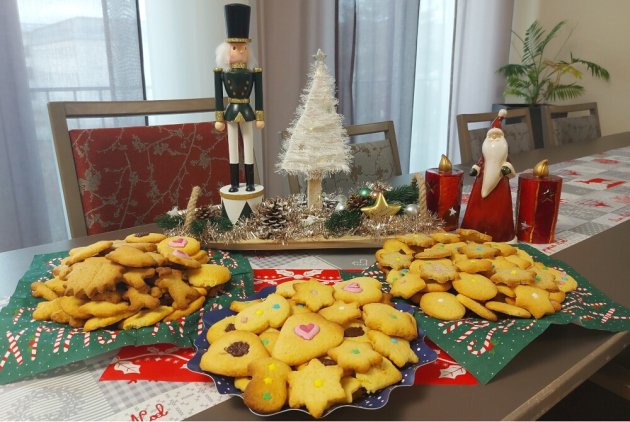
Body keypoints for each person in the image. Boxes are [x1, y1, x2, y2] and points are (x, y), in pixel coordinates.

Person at [214, 3, 264, 192]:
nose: (240, 51)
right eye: (235, 47)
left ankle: (250, 182)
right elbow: (219, 95)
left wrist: (260, 116)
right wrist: (219, 117)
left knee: (249, 146)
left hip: (247, 109)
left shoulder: (253, 72)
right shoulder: (222, 73)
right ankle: (234, 183)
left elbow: (258, 94)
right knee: (232, 148)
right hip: (232, 110)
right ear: (227, 51)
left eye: (243, 47)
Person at [460, 109, 516, 241]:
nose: (494, 139)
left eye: (497, 136)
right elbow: (478, 165)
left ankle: (500, 234)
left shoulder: (505, 159)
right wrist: (475, 169)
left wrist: (507, 170)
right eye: (491, 137)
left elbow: (512, 172)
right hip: (480, 189)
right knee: (476, 209)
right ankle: (472, 230)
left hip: (500, 191)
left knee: (499, 211)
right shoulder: (483, 159)